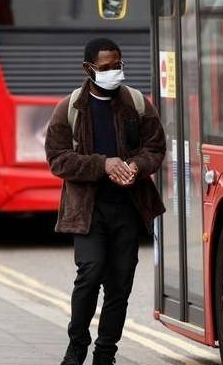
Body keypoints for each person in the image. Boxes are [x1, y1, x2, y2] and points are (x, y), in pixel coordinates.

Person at [45, 38, 166, 365]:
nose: (115, 72)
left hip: (127, 208)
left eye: (119, 65)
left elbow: (156, 148)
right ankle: (77, 345)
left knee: (120, 283)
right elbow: (58, 159)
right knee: (90, 272)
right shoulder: (69, 108)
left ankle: (105, 353)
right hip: (87, 210)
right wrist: (104, 164)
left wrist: (136, 167)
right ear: (89, 69)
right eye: (107, 67)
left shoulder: (138, 104)